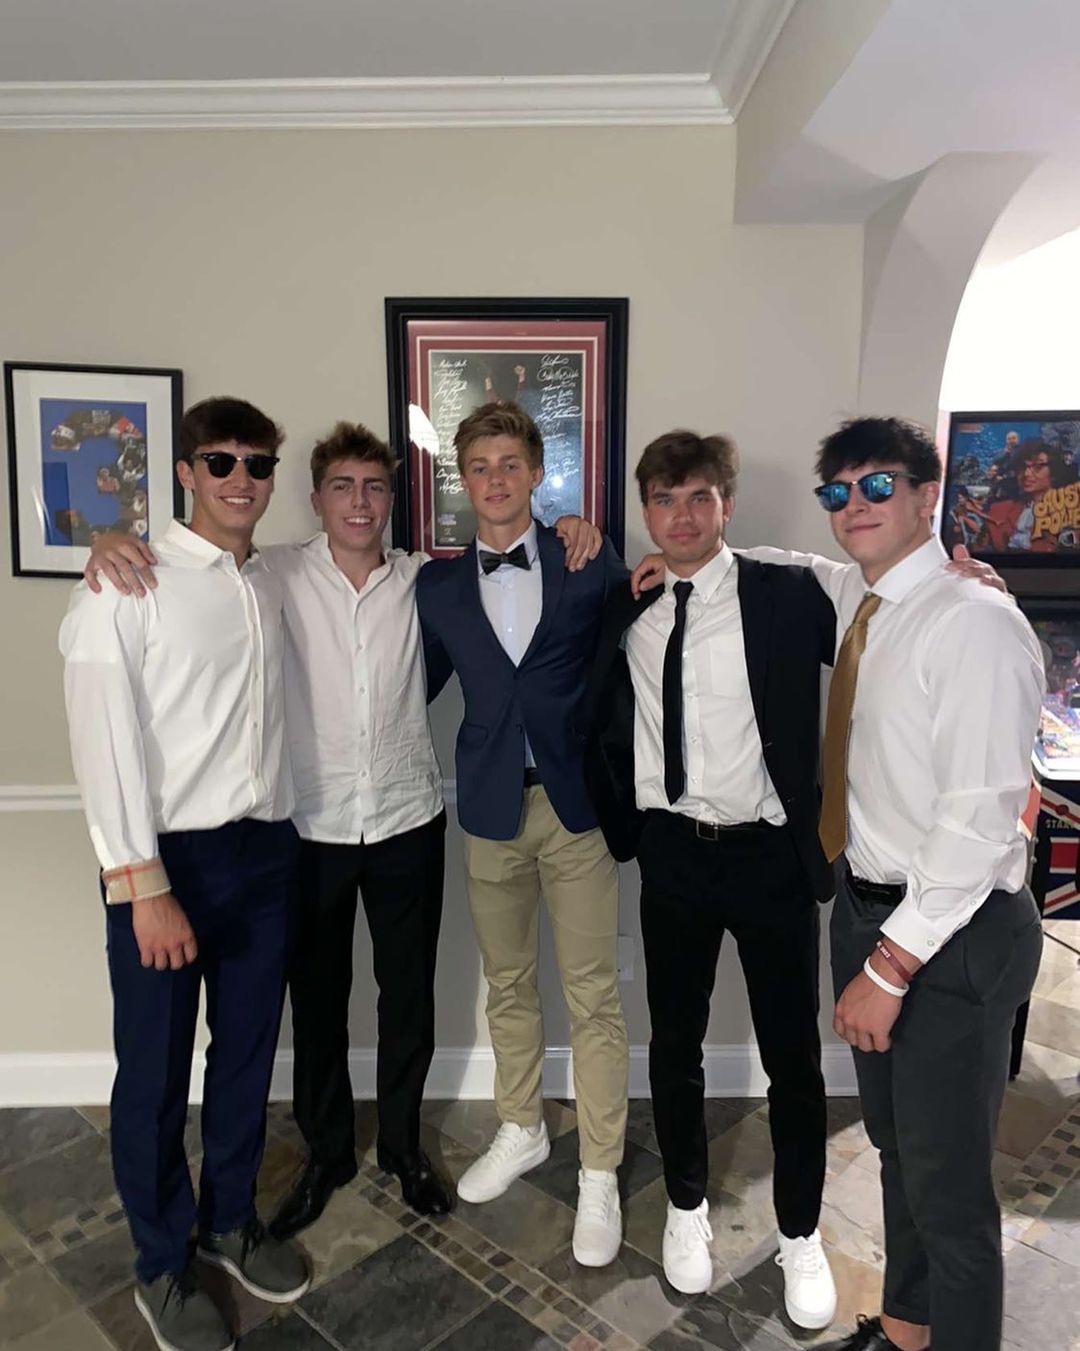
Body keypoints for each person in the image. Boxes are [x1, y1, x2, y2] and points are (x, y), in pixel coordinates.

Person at [83, 421, 601, 1242]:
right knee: (317, 1005)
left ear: (392, 498)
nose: (359, 502)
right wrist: (109, 539)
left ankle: (400, 1145)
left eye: (374, 487)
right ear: (316, 498)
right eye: (342, 486)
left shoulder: (424, 582)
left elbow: (514, 593)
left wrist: (571, 526)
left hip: (407, 819)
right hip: (309, 828)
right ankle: (326, 1154)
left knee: (409, 1000)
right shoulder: (274, 573)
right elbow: (196, 559)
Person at [60, 397, 310, 1351]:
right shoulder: (126, 583)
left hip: (266, 850)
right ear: (185, 473)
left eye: (259, 463)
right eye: (221, 461)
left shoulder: (270, 578)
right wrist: (142, 882)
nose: (241, 479)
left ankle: (229, 1219)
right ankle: (162, 1262)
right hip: (168, 862)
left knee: (245, 1054)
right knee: (156, 1073)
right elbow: (104, 738)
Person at [585, 430, 839, 1326]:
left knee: (793, 1056)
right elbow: (588, 709)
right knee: (676, 1044)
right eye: (665, 499)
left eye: (700, 497)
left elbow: (879, 611)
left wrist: (961, 577)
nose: (683, 516)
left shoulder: (784, 593)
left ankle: (801, 1230)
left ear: (726, 503)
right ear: (646, 511)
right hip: (675, 855)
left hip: (770, 856)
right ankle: (686, 1205)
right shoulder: (628, 607)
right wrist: (627, 822)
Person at [805, 417, 1044, 1351]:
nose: (854, 506)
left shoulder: (973, 621)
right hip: (870, 911)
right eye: (838, 492)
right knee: (901, 1152)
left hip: (952, 936)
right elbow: (777, 564)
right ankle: (906, 1332)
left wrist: (891, 966)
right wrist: (670, 552)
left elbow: (979, 823)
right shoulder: (861, 599)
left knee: (951, 1197)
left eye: (878, 485)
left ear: (926, 494)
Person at [417, 401, 630, 1268]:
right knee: (507, 982)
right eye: (480, 466)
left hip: (576, 809)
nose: (496, 479)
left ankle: (602, 1170)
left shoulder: (587, 559)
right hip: (490, 811)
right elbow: (405, 683)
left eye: (511, 463)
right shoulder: (436, 587)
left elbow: (653, 622)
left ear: (537, 472)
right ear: (462, 480)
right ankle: (522, 1124)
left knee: (592, 994)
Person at [979, 438, 1077, 552]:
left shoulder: (1071, 511)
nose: (1026, 474)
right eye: (1022, 467)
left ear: (1054, 471)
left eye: (1037, 467)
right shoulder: (999, 510)